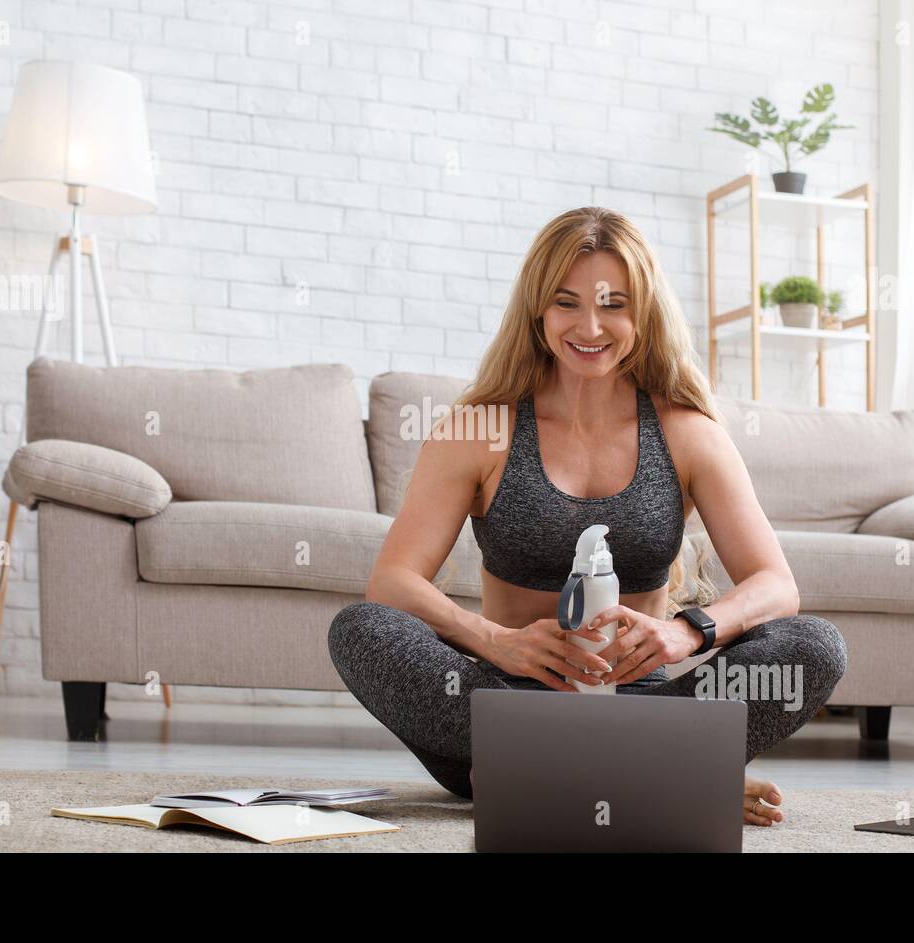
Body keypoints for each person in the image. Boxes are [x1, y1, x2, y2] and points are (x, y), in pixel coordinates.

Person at [328, 206, 847, 827]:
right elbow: (392, 583)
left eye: (615, 304)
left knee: (815, 646)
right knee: (360, 630)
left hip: (648, 705)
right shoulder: (480, 429)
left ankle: (557, 775)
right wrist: (501, 642)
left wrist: (685, 632)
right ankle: (665, 775)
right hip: (500, 708)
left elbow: (776, 585)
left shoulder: (687, 432)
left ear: (644, 311)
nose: (590, 326)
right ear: (538, 311)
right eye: (566, 302)